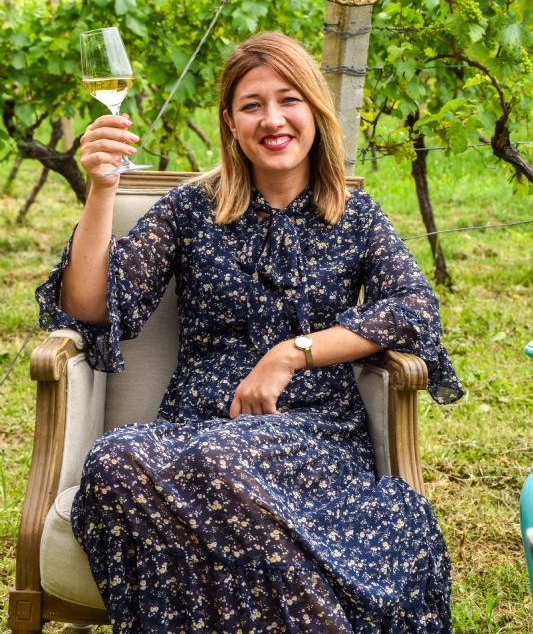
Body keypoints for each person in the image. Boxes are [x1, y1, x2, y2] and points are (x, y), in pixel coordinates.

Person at [37, 31, 464, 633]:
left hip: (312, 434)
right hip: (195, 432)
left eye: (288, 100)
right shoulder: (192, 210)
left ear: (315, 110)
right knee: (113, 459)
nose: (272, 119)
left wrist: (292, 353)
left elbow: (414, 307)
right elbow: (92, 304)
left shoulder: (355, 217)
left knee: (204, 462)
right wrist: (103, 188)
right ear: (230, 123)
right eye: (252, 105)